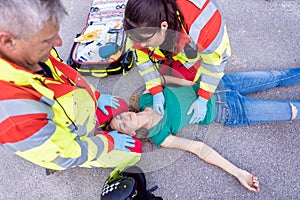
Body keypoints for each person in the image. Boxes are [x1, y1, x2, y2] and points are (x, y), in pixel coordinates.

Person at [0, 0, 141, 172]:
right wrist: (107, 142)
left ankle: (97, 125)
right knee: (134, 151)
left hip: (80, 111)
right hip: (74, 140)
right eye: (47, 40)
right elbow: (66, 155)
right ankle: (97, 136)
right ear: (8, 41)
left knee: (122, 105)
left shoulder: (26, 50)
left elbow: (65, 73)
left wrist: (96, 97)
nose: (59, 43)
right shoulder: (15, 116)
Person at [109, 67, 300, 192]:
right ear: (131, 134)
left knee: (278, 77)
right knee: (289, 111)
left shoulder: (146, 97)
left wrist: (192, 85)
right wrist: (239, 172)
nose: (124, 119)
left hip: (218, 84)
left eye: (120, 117)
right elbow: (199, 148)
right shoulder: (159, 135)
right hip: (228, 110)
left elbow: (161, 78)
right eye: (123, 125)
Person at [123, 0, 231, 124]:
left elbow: (214, 65)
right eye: (135, 38)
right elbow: (142, 60)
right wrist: (155, 89)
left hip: (204, 45)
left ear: (163, 26)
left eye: (145, 40)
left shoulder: (203, 26)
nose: (141, 44)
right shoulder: (137, 19)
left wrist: (203, 98)